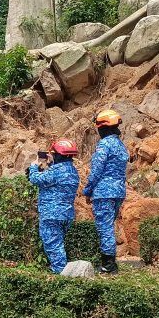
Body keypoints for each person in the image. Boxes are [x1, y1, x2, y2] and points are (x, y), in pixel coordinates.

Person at [82, 109, 130, 274]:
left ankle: (108, 266)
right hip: (118, 192)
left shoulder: (104, 145)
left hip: (103, 192)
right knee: (109, 226)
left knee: (105, 228)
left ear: (102, 128)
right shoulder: (121, 146)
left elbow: (96, 170)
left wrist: (87, 190)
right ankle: (110, 263)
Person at [27, 139, 81, 274]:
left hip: (52, 214)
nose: (49, 155)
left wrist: (34, 166)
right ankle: (60, 270)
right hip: (66, 214)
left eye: (52, 153)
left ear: (58, 154)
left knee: (53, 246)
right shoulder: (73, 171)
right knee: (58, 244)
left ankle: (60, 274)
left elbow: (35, 179)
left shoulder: (56, 171)